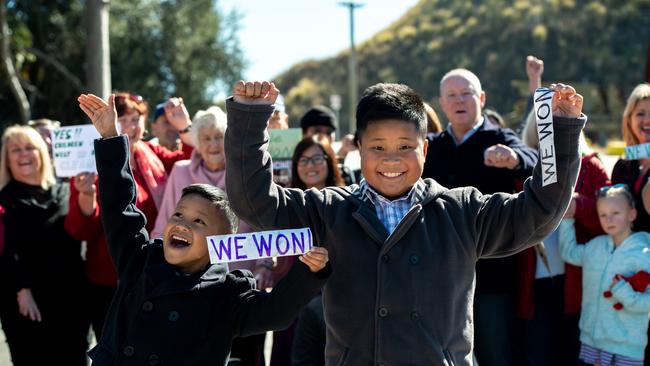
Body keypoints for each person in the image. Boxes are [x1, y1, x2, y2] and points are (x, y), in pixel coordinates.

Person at [224, 80, 585, 365]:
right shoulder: (329, 210)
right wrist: (249, 122)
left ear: (424, 150)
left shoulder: (461, 212)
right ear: (359, 149)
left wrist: (560, 131)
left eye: (406, 146)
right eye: (377, 147)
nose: (391, 159)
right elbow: (254, 202)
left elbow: (540, 211)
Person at [77, 93, 330, 366]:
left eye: (199, 221)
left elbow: (275, 313)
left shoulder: (227, 292)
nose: (183, 224)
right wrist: (110, 138)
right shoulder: (139, 259)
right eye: (179, 214)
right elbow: (119, 207)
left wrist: (309, 272)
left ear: (220, 243)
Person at [422, 68, 538, 366]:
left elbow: (533, 160)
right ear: (442, 102)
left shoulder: (499, 137)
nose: (459, 100)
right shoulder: (431, 147)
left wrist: (513, 159)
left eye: (467, 93)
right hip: (441, 274)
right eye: (451, 95)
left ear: (482, 98)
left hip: (492, 274)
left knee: (495, 352)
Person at [150, 105, 270, 366]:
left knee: (246, 357)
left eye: (219, 136)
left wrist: (265, 266)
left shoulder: (246, 174)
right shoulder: (181, 172)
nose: (214, 143)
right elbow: (164, 225)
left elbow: (266, 224)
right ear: (196, 143)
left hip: (239, 287)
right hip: (190, 289)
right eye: (206, 138)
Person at [519, 109, 610, 365]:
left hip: (579, 285)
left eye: (559, 125)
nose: (551, 131)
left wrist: (578, 207)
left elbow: (612, 219)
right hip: (532, 286)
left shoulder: (591, 166)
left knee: (574, 355)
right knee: (539, 355)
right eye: (545, 125)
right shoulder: (522, 168)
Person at [0, 125, 87, 365]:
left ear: (42, 151)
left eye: (29, 147)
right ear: (7, 159)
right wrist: (22, 289)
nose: (23, 154)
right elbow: (8, 250)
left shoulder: (65, 191)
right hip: (26, 301)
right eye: (15, 150)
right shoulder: (4, 199)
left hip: (71, 298)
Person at [270, 135, 344, 366]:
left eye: (316, 158)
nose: (310, 165)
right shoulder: (285, 205)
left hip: (337, 299)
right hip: (293, 297)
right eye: (303, 160)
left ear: (330, 161)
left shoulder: (349, 202)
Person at [559, 185, 650, 366]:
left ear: (632, 214)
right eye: (602, 214)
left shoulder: (644, 253)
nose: (609, 219)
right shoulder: (595, 246)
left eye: (616, 213)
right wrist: (567, 219)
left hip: (627, 348)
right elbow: (569, 253)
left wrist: (625, 293)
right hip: (590, 342)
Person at [113, 93, 193, 231]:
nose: (130, 127)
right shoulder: (96, 161)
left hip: (158, 248)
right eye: (122, 120)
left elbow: (191, 163)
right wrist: (87, 195)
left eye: (135, 119)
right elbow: (79, 229)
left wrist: (184, 126)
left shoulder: (153, 152)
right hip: (117, 251)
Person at [300, 106, 357, 185]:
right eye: (317, 131)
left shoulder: (344, 172)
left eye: (329, 132)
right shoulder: (288, 168)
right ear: (304, 133)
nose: (324, 137)